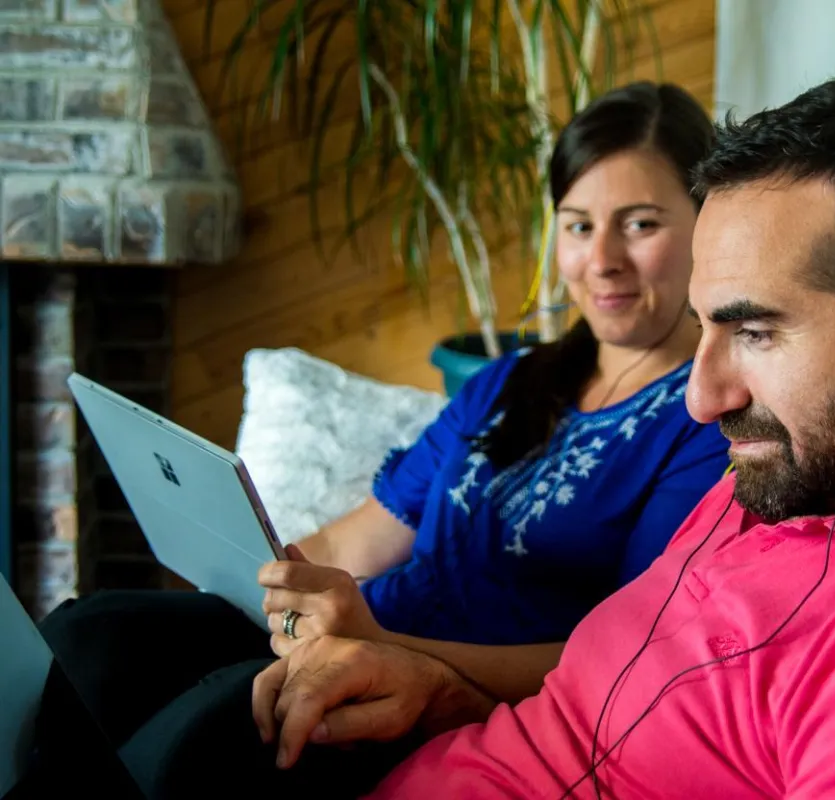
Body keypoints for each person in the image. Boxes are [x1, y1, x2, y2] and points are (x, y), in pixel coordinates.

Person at [240, 74, 835, 799]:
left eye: (754, 333)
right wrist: (437, 694)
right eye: (704, 328)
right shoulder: (786, 481)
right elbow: (595, 727)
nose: (698, 399)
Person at [34, 81, 730, 793]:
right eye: (579, 225)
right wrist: (275, 574)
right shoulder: (509, 383)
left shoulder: (706, 422)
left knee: (206, 740)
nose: (603, 258)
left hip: (425, 685)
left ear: (707, 223)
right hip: (365, 639)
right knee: (90, 636)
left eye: (641, 224)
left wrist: (379, 643)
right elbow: (356, 542)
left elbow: (627, 653)